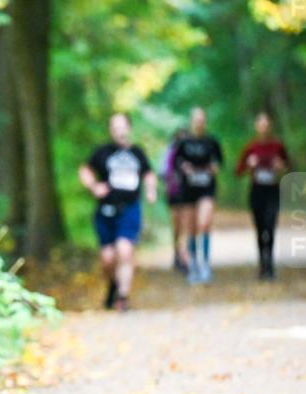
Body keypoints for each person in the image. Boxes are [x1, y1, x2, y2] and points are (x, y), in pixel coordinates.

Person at [78, 113, 157, 311]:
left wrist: (151, 190)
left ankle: (123, 296)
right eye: (115, 128)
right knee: (107, 258)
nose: (119, 131)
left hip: (129, 209)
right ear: (111, 131)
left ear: (128, 128)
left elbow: (148, 174)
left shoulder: (137, 153)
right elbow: (85, 171)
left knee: (124, 249)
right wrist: (94, 186)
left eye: (122, 127)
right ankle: (113, 285)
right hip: (105, 211)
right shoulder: (103, 152)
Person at [236, 111, 290, 280]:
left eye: (266, 125)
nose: (264, 128)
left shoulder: (277, 146)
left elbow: (289, 167)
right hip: (256, 191)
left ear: (270, 126)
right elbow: (238, 171)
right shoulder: (251, 147)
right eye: (261, 124)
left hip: (272, 191)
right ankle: (262, 264)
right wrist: (248, 164)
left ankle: (270, 265)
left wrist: (281, 166)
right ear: (257, 127)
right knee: (260, 229)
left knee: (270, 226)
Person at [175, 107, 223, 284]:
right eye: (196, 120)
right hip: (188, 190)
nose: (199, 123)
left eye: (202, 120)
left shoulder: (211, 142)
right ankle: (194, 264)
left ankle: (206, 264)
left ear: (205, 122)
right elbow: (175, 164)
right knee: (191, 229)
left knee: (204, 223)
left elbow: (218, 163)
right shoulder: (183, 143)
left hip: (206, 189)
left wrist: (212, 169)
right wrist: (185, 168)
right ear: (191, 121)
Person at [160, 128, 189, 273]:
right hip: (175, 192)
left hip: (189, 192)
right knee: (177, 225)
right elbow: (163, 171)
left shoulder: (191, 151)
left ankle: (185, 256)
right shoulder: (170, 151)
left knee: (186, 224)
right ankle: (178, 253)